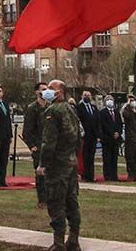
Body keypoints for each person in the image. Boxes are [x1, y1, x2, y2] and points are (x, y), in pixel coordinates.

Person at [38, 78, 81, 251]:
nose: (46, 90)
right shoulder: (71, 110)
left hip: (58, 165)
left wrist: (43, 164)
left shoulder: (53, 111)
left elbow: (49, 142)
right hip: (70, 162)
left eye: (50, 88)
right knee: (72, 202)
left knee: (56, 203)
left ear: (59, 92)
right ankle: (74, 239)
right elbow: (77, 137)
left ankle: (58, 243)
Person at [21, 82, 47, 204]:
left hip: (50, 145)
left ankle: (51, 198)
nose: (45, 91)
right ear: (36, 92)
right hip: (38, 145)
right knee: (40, 173)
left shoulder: (50, 107)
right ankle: (42, 199)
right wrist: (32, 146)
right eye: (43, 89)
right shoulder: (32, 108)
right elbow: (27, 131)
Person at [97, 94, 122, 182]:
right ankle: (107, 175)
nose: (109, 101)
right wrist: (112, 133)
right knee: (107, 158)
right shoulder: (102, 112)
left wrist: (118, 132)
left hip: (115, 139)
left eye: (111, 99)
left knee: (114, 158)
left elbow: (120, 124)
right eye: (108, 99)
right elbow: (103, 125)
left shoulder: (116, 112)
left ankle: (114, 175)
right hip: (107, 138)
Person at [75, 90, 98, 182]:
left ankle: (91, 176)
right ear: (82, 96)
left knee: (91, 157)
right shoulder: (79, 108)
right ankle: (85, 175)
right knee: (85, 157)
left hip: (93, 136)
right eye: (85, 95)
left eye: (88, 95)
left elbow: (97, 122)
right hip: (84, 136)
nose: (87, 97)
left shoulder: (94, 108)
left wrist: (98, 135)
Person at [122, 94, 136, 181]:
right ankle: (130, 174)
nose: (132, 102)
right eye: (130, 100)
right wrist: (127, 105)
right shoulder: (127, 110)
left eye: (133, 100)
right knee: (130, 156)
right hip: (131, 138)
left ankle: (135, 173)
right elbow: (125, 115)